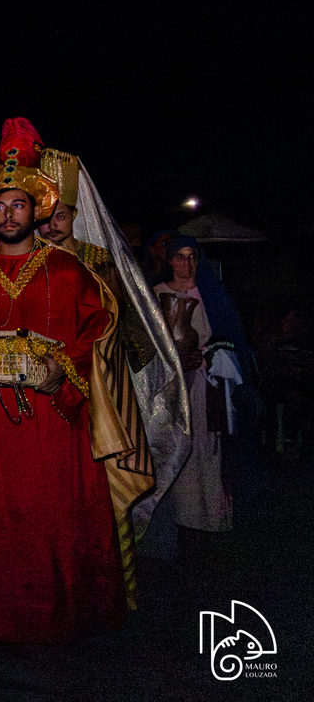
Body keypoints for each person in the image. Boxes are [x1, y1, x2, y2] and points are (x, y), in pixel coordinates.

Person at [0, 117, 152, 644]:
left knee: (54, 522)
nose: (8, 214)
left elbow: (98, 340)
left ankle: (64, 619)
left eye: (19, 205)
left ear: (36, 209)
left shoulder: (72, 272)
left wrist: (62, 371)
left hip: (56, 425)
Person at [148, 235, 241, 558]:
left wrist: (205, 357)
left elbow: (231, 339)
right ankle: (173, 517)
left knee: (204, 446)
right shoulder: (155, 294)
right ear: (170, 260)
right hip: (166, 384)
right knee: (171, 446)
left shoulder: (212, 295)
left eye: (192, 257)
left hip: (203, 381)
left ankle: (206, 517)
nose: (186, 263)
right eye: (180, 257)